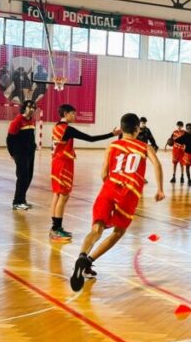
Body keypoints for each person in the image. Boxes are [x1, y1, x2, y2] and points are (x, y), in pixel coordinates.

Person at [71, 113, 165, 290]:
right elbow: (157, 165)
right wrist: (160, 189)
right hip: (129, 192)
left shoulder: (112, 146)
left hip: (109, 187)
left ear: (121, 129)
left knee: (96, 228)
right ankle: (88, 261)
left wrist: (110, 185)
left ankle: (82, 257)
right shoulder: (145, 147)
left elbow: (103, 174)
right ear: (137, 129)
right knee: (118, 231)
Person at [49, 104, 119, 241]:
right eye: (73, 114)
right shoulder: (67, 129)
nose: (74, 116)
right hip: (63, 164)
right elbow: (91, 138)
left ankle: (55, 227)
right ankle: (56, 229)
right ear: (66, 113)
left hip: (56, 163)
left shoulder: (56, 127)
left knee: (57, 195)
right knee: (63, 196)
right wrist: (112, 134)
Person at [6, 101, 38, 210]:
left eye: (34, 108)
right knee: (22, 177)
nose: (32, 109)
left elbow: (30, 136)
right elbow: (10, 138)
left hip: (30, 153)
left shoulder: (33, 121)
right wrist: (12, 153)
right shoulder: (18, 120)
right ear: (24, 108)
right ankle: (16, 202)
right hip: (20, 153)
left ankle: (22, 200)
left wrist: (33, 145)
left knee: (28, 176)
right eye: (30, 107)